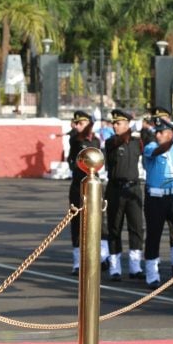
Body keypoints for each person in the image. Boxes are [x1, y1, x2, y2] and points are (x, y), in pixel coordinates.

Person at [142, 118, 173, 288]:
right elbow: (158, 151)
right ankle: (152, 274)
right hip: (156, 197)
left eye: (161, 132)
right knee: (154, 234)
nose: (157, 135)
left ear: (169, 133)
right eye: (157, 132)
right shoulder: (151, 146)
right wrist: (172, 142)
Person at [103, 109, 146, 281]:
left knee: (136, 228)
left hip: (133, 189)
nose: (114, 126)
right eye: (114, 123)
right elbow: (116, 141)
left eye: (118, 123)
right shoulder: (110, 142)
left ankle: (135, 266)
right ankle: (115, 267)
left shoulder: (136, 142)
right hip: (115, 189)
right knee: (114, 227)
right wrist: (128, 133)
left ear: (127, 124)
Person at [67, 110, 99, 275]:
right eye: (76, 123)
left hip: (93, 186)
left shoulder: (96, 141)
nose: (77, 126)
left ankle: (96, 258)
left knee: (95, 222)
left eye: (81, 123)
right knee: (77, 224)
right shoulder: (75, 139)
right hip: (78, 186)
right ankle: (77, 261)